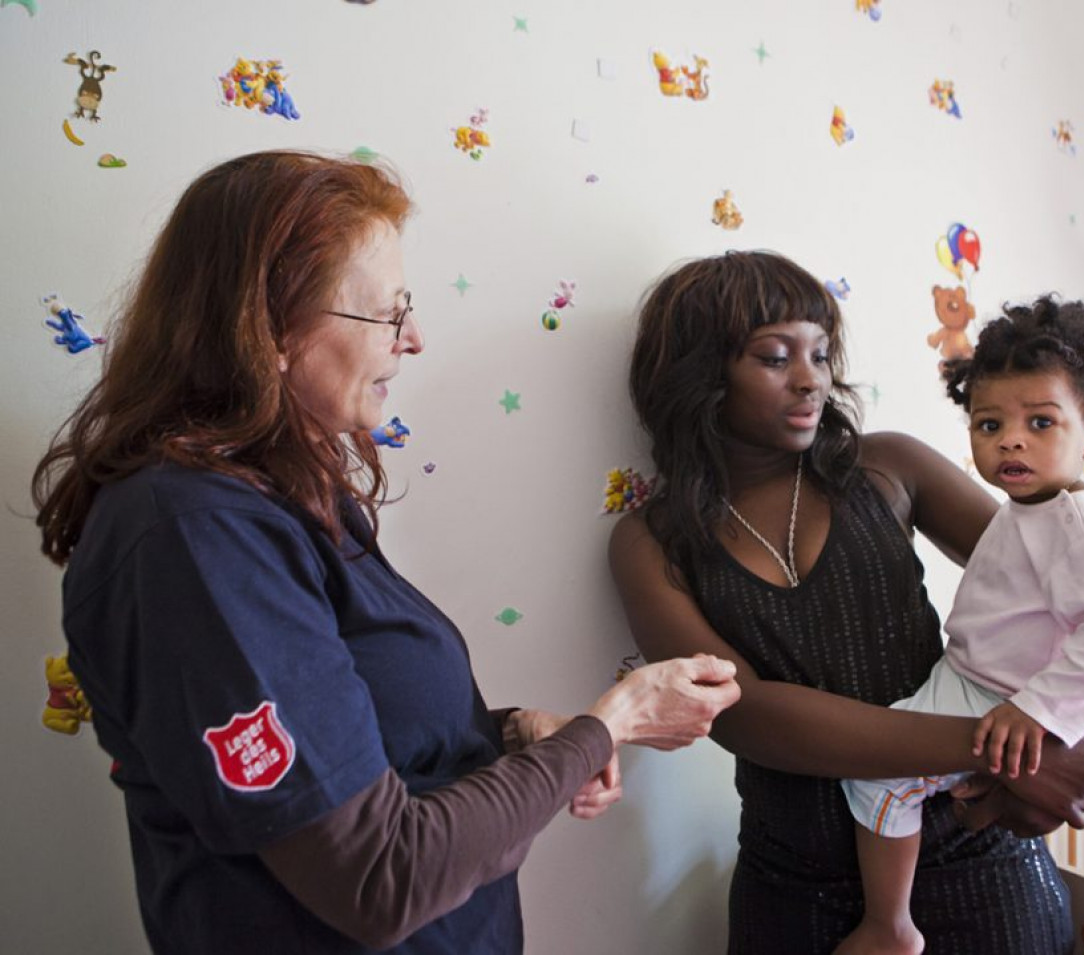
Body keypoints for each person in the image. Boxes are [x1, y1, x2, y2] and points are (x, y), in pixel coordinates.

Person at [30, 150, 741, 955]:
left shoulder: (281, 496)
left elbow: (350, 735)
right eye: (386, 314)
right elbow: (378, 878)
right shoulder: (195, 537)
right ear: (271, 327)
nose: (415, 339)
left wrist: (511, 734)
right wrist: (612, 724)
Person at [609, 250, 1084, 955]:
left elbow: (1061, 596)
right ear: (701, 374)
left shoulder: (888, 468)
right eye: (776, 357)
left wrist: (1060, 720)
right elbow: (744, 714)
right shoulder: (654, 541)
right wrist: (1015, 749)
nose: (811, 379)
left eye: (821, 354)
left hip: (979, 862)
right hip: (793, 891)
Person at [838, 297, 1084, 955]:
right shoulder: (1033, 507)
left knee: (874, 778)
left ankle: (889, 926)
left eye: (1040, 422)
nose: (1011, 439)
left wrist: (1040, 710)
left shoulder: (1078, 522)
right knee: (929, 773)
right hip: (973, 675)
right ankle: (981, 794)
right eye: (990, 424)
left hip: (994, 692)